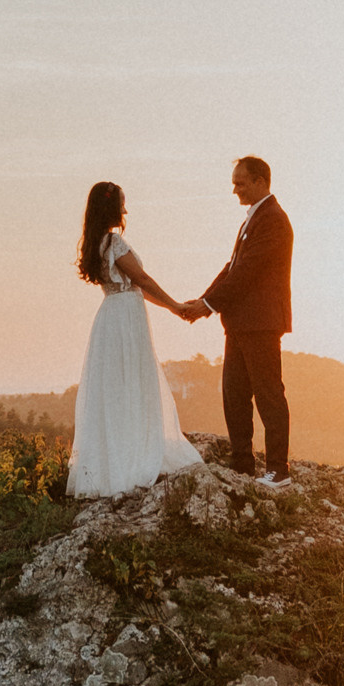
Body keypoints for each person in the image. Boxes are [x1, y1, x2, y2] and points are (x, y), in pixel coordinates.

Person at [68, 179, 201, 497]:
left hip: (112, 315)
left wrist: (169, 307)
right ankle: (134, 458)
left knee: (117, 386)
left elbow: (136, 284)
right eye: (121, 203)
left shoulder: (95, 243)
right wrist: (175, 306)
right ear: (111, 207)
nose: (125, 209)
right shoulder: (113, 243)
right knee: (133, 381)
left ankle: (114, 458)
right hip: (125, 318)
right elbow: (141, 278)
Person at [178, 155, 293, 481]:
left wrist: (208, 306)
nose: (235, 190)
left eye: (240, 183)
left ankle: (278, 470)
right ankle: (242, 465)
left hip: (261, 324)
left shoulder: (273, 220)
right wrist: (203, 301)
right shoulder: (251, 221)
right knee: (234, 394)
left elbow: (246, 272)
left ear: (260, 181)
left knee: (269, 396)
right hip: (240, 323)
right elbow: (231, 268)